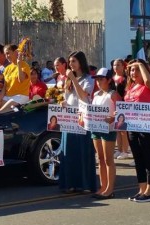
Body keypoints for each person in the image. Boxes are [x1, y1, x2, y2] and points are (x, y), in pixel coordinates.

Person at [59, 51, 96, 193]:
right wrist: (64, 103)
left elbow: (82, 96)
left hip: (82, 118)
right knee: (69, 151)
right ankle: (70, 183)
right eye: (70, 61)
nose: (71, 64)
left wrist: (73, 79)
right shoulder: (68, 79)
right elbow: (69, 98)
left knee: (83, 151)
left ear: (81, 62)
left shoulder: (88, 79)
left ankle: (85, 183)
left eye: (74, 61)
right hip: (69, 117)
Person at [124, 59, 150, 202]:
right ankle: (142, 189)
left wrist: (140, 64)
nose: (133, 73)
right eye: (132, 70)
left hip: (148, 126)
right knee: (138, 159)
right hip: (132, 127)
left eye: (137, 69)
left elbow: (149, 83)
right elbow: (127, 108)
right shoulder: (131, 87)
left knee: (149, 158)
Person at [90, 67, 121, 199]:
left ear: (108, 80)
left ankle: (109, 189)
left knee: (108, 159)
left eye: (101, 79)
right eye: (97, 79)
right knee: (100, 158)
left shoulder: (113, 94)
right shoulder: (96, 95)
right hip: (96, 128)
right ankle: (103, 186)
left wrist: (113, 118)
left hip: (108, 129)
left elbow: (121, 110)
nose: (98, 82)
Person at [0, 44, 31, 115]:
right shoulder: (7, 68)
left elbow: (21, 79)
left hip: (20, 96)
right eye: (5, 54)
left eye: (8, 53)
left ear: (15, 52)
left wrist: (19, 64)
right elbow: (5, 86)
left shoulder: (25, 66)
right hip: (8, 96)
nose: (6, 56)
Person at [112, 59, 129, 160]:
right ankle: (119, 149)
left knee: (123, 130)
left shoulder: (125, 79)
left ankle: (125, 151)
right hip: (114, 105)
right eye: (114, 65)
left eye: (118, 65)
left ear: (123, 66)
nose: (116, 67)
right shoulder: (112, 78)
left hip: (123, 105)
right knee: (117, 129)